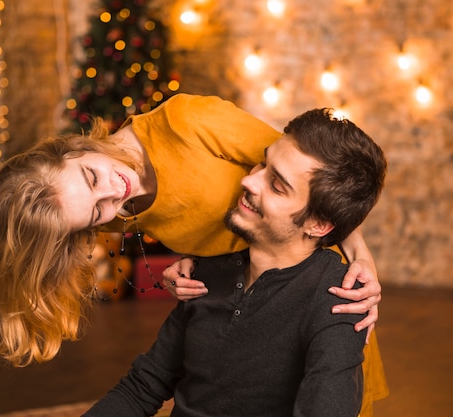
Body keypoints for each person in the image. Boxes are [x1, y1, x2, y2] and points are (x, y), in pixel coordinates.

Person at [0, 94, 387, 414]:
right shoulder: (102, 210)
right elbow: (144, 384)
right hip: (229, 287)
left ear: (74, 149)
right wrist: (192, 264)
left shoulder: (185, 122)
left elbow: (316, 178)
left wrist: (360, 258)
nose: (116, 192)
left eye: (92, 175)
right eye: (99, 210)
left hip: (296, 295)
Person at [83, 107, 387, 417]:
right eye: (262, 164)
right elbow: (141, 388)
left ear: (319, 225)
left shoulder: (338, 300)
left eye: (277, 186)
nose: (250, 182)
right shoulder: (208, 269)